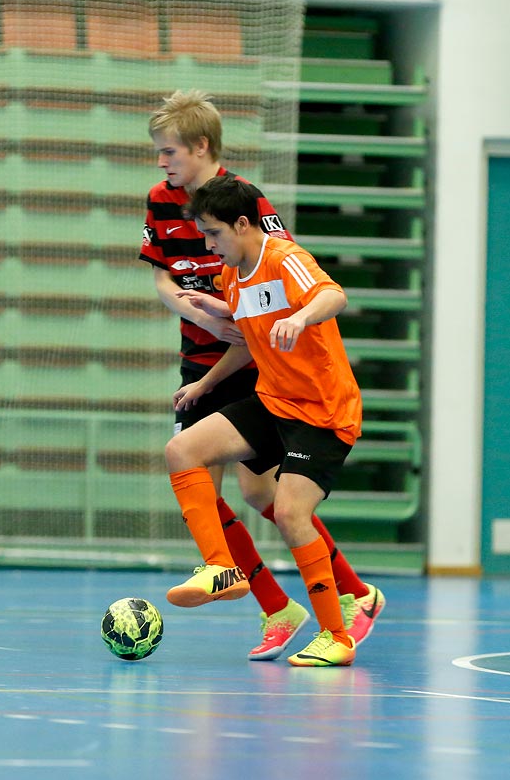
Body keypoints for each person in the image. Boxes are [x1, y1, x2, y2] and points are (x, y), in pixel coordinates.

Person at [141, 91, 383, 661]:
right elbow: (176, 284)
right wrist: (201, 319)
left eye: (168, 150)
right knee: (204, 469)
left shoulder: (258, 231)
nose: (161, 162)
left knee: (275, 500)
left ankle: (342, 605)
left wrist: (293, 318)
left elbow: (320, 289)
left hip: (300, 390)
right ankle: (249, 583)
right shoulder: (208, 252)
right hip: (225, 364)